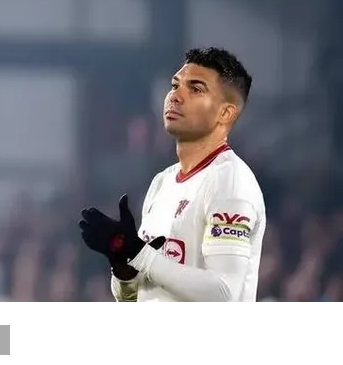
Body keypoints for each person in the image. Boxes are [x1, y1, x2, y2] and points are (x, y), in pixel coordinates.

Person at [79, 47, 266, 306]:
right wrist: (122, 263)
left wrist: (139, 253)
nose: (176, 96)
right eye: (175, 85)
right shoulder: (162, 182)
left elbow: (223, 294)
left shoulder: (231, 182)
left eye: (196, 89)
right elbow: (132, 295)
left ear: (225, 113)